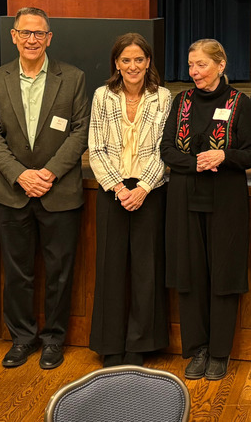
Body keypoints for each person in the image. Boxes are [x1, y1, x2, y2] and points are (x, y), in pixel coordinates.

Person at [0, 6, 90, 370]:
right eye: (25, 33)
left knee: (60, 272)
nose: (32, 40)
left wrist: (48, 173)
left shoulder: (73, 78)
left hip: (58, 192)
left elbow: (80, 132)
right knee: (18, 273)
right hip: (12, 193)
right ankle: (22, 338)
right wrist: (20, 174)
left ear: (49, 38)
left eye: (39, 34)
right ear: (13, 36)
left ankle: (53, 340)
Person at [161, 39, 251, 381]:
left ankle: (219, 353)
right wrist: (194, 164)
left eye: (201, 65)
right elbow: (167, 150)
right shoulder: (181, 101)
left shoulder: (239, 103)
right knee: (190, 276)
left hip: (226, 202)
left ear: (220, 64)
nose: (194, 72)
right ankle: (197, 349)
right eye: (190, 65)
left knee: (222, 277)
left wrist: (223, 156)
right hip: (185, 200)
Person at [88, 33, 171, 367]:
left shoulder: (163, 97)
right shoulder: (102, 96)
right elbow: (96, 147)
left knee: (146, 269)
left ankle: (141, 344)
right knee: (110, 268)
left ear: (148, 62)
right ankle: (110, 344)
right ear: (116, 64)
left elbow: (165, 149)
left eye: (139, 59)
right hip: (113, 191)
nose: (133, 66)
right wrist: (119, 188)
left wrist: (143, 188)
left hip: (150, 193)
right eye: (126, 60)